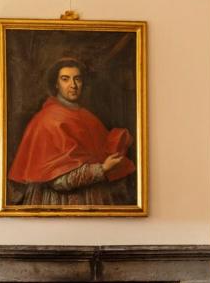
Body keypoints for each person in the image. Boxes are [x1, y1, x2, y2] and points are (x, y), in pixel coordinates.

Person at [7, 58, 135, 206]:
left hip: (93, 197)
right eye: (65, 79)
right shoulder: (47, 120)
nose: (73, 85)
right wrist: (103, 168)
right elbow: (59, 181)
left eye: (77, 79)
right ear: (56, 84)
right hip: (60, 201)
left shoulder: (88, 117)